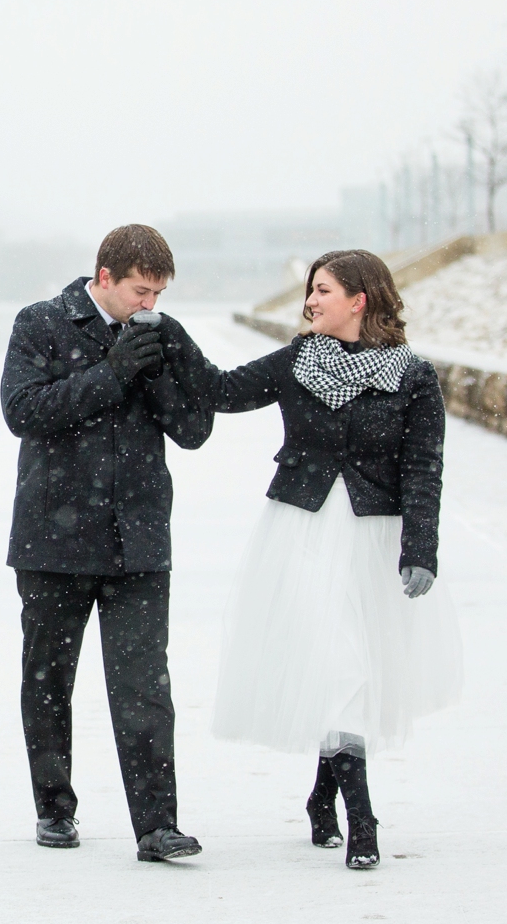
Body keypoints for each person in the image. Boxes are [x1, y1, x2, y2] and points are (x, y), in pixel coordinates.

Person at [169, 249, 461, 870]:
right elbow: (221, 390)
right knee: (337, 663)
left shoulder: (413, 377)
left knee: (354, 665)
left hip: (374, 540)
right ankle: (364, 818)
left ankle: (322, 795)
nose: (310, 300)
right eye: (309, 289)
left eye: (323, 290)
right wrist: (169, 333)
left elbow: (423, 469)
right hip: (300, 534)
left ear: (360, 299)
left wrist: (421, 550)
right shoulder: (297, 359)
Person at [0, 224, 214, 862]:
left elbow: (195, 430)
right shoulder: (40, 323)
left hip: (138, 541)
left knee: (145, 684)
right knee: (48, 681)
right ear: (104, 280)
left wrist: (163, 370)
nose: (150, 305)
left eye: (160, 294)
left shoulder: (158, 333)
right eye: (140, 292)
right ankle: (54, 809)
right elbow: (23, 412)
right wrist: (112, 372)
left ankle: (156, 826)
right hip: (52, 540)